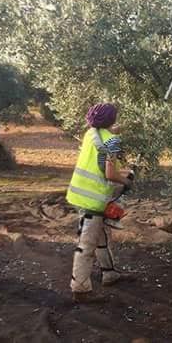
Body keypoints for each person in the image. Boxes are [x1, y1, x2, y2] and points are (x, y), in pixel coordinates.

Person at [67, 103, 135, 303]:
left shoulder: (91, 133)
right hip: (94, 200)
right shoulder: (112, 141)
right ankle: (80, 289)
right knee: (86, 244)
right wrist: (127, 180)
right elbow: (110, 173)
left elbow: (106, 135)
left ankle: (109, 273)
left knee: (100, 234)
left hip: (78, 194)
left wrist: (127, 126)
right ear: (112, 119)